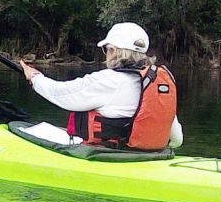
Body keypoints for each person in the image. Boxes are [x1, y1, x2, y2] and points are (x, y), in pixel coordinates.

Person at [19, 22, 183, 151]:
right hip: (149, 157)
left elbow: (61, 94)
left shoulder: (109, 80)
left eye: (106, 50)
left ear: (112, 50)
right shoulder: (158, 83)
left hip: (110, 156)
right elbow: (177, 140)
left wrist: (35, 78)